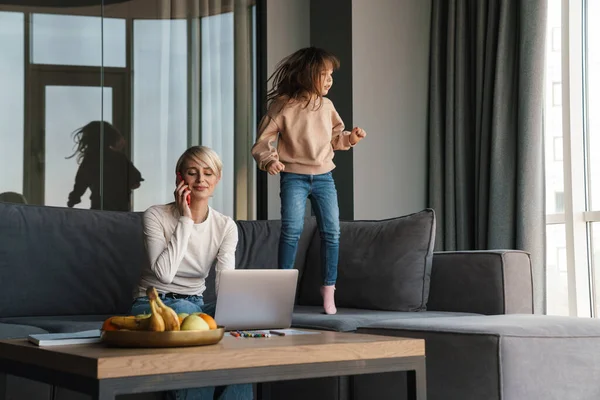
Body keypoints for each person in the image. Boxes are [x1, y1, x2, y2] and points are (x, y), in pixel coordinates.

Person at [251, 47, 367, 315]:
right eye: (324, 75)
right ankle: (282, 293)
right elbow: (262, 142)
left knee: (332, 233)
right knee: (291, 231)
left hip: (324, 177)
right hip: (294, 178)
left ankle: (329, 290)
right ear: (307, 75)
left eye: (330, 75)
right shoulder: (283, 105)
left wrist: (351, 138)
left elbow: (336, 139)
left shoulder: (327, 106)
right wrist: (270, 159)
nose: (329, 80)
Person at [132, 145, 252, 400]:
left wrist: (237, 315)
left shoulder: (225, 226)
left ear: (217, 179)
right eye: (192, 172)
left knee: (240, 343)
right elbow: (164, 274)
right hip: (153, 304)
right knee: (195, 329)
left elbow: (225, 283)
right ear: (180, 178)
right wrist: (186, 220)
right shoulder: (156, 215)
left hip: (196, 305)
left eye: (208, 173)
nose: (201, 180)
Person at [66, 120, 143, 211]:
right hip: (121, 208)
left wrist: (74, 198)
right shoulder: (119, 158)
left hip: (100, 207)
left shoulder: (90, 159)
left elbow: (81, 182)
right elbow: (135, 182)